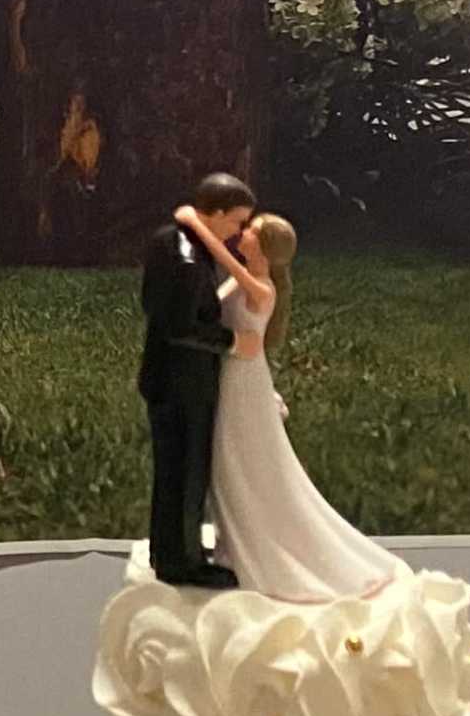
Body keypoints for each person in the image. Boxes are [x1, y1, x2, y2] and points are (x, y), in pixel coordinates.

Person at [175, 195, 406, 603]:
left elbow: (226, 266)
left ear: (263, 249)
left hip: (242, 384)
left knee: (242, 461)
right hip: (233, 378)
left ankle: (260, 547)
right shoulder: (249, 278)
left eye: (251, 232)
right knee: (230, 462)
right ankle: (233, 541)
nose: (243, 234)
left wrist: (198, 226)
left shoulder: (260, 288)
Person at [135, 173, 254, 588]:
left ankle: (171, 548)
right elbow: (181, 325)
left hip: (168, 379)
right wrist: (232, 340)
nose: (238, 233)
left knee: (174, 471)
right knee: (186, 473)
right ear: (217, 214)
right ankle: (182, 560)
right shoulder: (187, 259)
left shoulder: (169, 241)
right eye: (236, 222)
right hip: (183, 383)